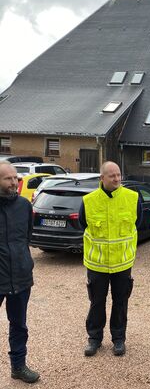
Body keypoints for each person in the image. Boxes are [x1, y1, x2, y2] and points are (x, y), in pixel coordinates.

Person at [79, 161, 141, 357]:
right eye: (112, 175)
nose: (116, 178)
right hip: (96, 264)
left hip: (122, 264)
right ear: (102, 178)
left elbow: (137, 222)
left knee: (120, 302)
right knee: (96, 302)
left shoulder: (132, 198)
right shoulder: (89, 200)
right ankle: (94, 339)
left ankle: (119, 339)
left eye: (118, 175)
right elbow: (83, 223)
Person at [0, 161, 40, 383]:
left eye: (15, 178)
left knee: (19, 326)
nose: (14, 182)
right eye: (8, 179)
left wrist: (24, 262)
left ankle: (18, 366)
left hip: (21, 278)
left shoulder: (24, 206)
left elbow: (27, 236)